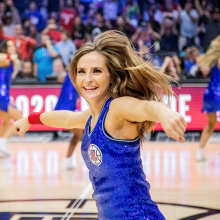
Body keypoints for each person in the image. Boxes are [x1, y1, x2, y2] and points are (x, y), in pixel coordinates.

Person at [13, 30, 186, 219]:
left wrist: (165, 113)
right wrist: (29, 119)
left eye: (96, 71)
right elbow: (66, 118)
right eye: (81, 72)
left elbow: (146, 107)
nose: (87, 79)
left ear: (111, 76)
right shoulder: (92, 117)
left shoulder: (117, 108)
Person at [196, 36, 220, 161]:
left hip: (209, 93)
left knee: (211, 124)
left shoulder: (212, 59)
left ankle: (199, 152)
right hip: (219, 94)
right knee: (212, 124)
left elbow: (202, 67)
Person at [54, 65, 83, 170]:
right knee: (91, 126)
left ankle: (67, 161)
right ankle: (85, 156)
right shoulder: (74, 75)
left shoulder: (71, 75)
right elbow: (69, 94)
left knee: (77, 134)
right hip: (66, 110)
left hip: (64, 109)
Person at [0, 40, 22, 158]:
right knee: (20, 119)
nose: (13, 47)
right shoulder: (4, 58)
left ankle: (1, 145)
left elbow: (13, 75)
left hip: (5, 95)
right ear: (5, 48)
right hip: (1, 96)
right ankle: (3, 143)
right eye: (10, 46)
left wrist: (16, 61)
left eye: (13, 45)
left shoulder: (12, 61)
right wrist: (10, 56)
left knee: (6, 122)